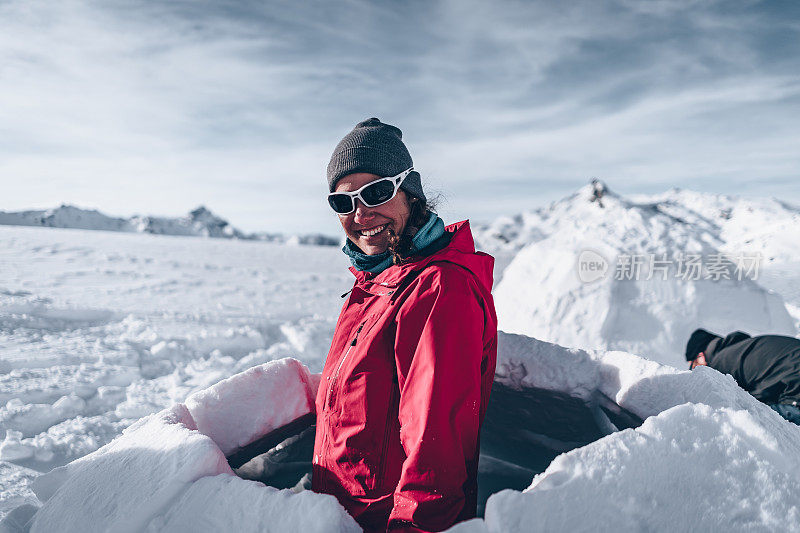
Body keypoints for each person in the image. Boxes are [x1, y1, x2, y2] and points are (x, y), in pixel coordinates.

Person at [312, 118, 498, 533]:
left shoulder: (437, 287)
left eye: (377, 192)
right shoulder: (375, 282)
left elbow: (437, 450)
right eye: (344, 203)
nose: (361, 214)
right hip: (341, 517)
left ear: (409, 193)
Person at [686, 328, 800, 425]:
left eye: (693, 366)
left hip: (795, 395)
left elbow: (745, 402)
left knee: (744, 420)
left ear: (701, 356)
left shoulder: (720, 363)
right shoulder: (742, 349)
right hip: (794, 385)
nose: (694, 371)